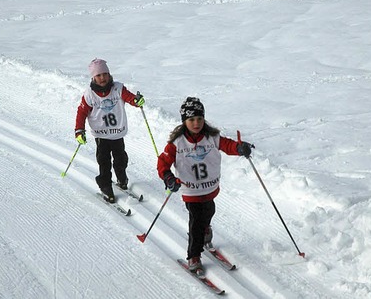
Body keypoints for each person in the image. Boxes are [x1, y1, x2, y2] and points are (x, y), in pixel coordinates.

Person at [157, 97, 254, 273]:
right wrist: (168, 177)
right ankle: (194, 256)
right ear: (184, 121)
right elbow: (163, 162)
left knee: (209, 211)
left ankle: (206, 230)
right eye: (191, 119)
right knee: (196, 222)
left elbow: (227, 145)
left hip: (209, 187)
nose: (196, 123)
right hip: (190, 189)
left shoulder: (211, 137)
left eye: (200, 119)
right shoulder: (177, 143)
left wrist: (239, 148)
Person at [75, 58, 145, 203]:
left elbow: (130, 98)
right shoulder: (89, 94)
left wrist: (136, 101)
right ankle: (106, 186)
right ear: (93, 77)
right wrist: (79, 130)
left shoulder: (117, 88)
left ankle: (121, 178)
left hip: (117, 133)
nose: (103, 78)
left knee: (121, 159)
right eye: (99, 75)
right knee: (104, 161)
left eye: (105, 74)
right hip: (101, 135)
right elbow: (81, 112)